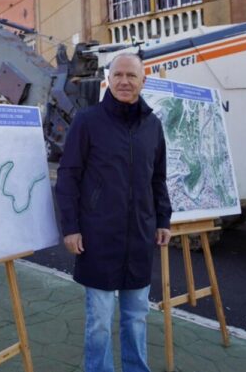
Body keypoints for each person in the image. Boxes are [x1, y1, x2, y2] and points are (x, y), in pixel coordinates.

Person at [55, 52, 172, 372]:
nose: (124, 81)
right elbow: (68, 175)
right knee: (100, 323)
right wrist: (71, 226)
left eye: (131, 76)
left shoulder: (153, 125)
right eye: (118, 75)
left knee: (136, 318)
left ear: (142, 81)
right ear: (108, 79)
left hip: (139, 237)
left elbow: (157, 178)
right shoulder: (88, 121)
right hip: (98, 237)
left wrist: (163, 219)